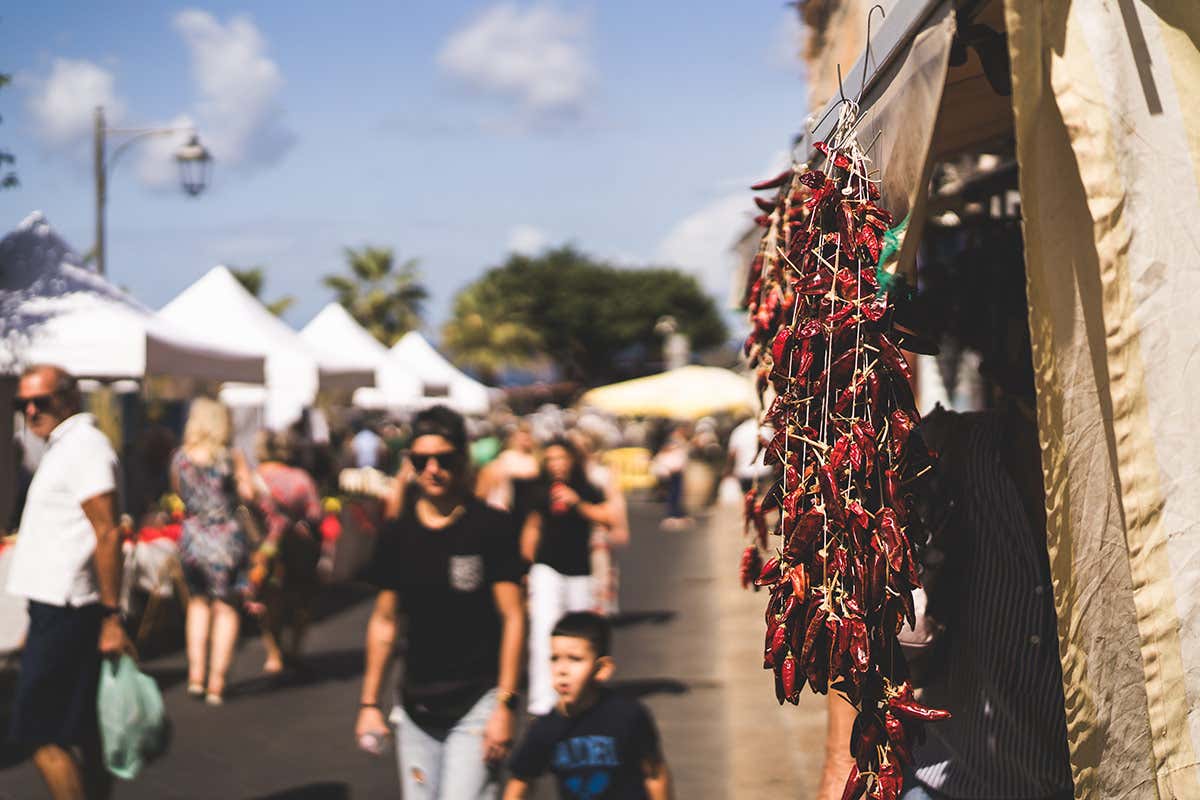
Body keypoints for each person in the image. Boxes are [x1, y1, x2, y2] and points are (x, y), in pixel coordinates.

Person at [355, 405, 526, 799]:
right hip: (417, 706)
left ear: (463, 459)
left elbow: (514, 618)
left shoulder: (490, 527)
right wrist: (369, 703)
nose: (433, 468)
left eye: (444, 459)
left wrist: (506, 704)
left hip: (477, 701)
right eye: (421, 459)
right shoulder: (397, 534)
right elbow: (384, 622)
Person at [6, 364, 135, 800]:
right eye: (21, 402)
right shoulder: (65, 447)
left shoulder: (83, 447)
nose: (30, 410)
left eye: (40, 401)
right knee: (81, 731)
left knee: (39, 735)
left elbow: (108, 531)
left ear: (69, 399)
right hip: (55, 609)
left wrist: (112, 617)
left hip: (70, 610)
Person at [503, 612, 672, 800]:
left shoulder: (628, 715)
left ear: (602, 669)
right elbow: (520, 781)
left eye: (575, 659)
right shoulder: (545, 728)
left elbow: (654, 773)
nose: (562, 670)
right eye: (555, 658)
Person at [171, 397, 256, 706]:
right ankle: (216, 684)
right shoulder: (230, 457)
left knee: (197, 604)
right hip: (225, 539)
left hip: (192, 537)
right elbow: (249, 494)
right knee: (225, 607)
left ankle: (195, 676)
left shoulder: (180, 457)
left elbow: (180, 494)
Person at [521, 438, 615, 715]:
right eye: (551, 459)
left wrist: (578, 504)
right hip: (546, 567)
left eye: (561, 458)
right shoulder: (537, 490)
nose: (557, 464)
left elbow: (608, 518)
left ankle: (581, 695)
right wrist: (524, 568)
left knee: (581, 636)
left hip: (580, 570)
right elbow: (531, 528)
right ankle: (543, 700)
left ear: (572, 460)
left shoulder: (587, 488)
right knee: (544, 629)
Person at [253, 431, 323, 675]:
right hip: (298, 547)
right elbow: (315, 513)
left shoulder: (253, 479)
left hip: (264, 550)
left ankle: (274, 654)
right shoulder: (300, 478)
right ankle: (294, 649)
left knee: (268, 599)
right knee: (300, 598)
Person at [475, 422, 540, 513]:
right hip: (507, 504)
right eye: (522, 437)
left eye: (527, 437)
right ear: (515, 439)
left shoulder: (536, 459)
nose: (525, 440)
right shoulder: (506, 457)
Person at [651, 425, 690, 530]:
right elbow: (666, 450)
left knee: (677, 493)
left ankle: (677, 514)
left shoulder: (678, 440)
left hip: (676, 471)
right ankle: (673, 514)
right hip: (673, 471)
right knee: (673, 493)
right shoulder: (673, 441)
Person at [724, 416, 773, 494]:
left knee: (748, 496)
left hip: (745, 472)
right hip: (764, 470)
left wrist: (728, 470)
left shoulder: (738, 431)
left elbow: (732, 454)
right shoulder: (766, 429)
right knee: (763, 498)